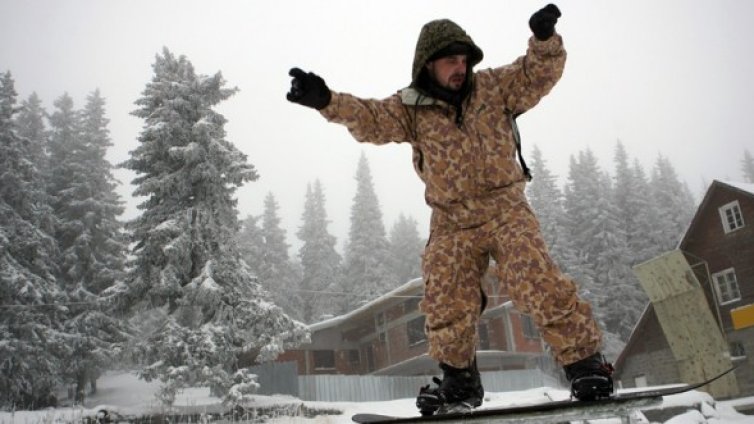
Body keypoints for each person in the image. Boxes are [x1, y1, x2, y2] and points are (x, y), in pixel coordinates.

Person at [287, 4, 613, 415]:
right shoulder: (411, 108)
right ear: (428, 66)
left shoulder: (494, 87)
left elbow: (537, 74)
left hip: (505, 208)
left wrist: (544, 40)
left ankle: (586, 364)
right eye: (450, 61)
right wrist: (327, 100)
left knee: (533, 275)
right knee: (444, 293)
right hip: (451, 220)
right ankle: (459, 382)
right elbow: (370, 118)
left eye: (464, 60)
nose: (460, 69)